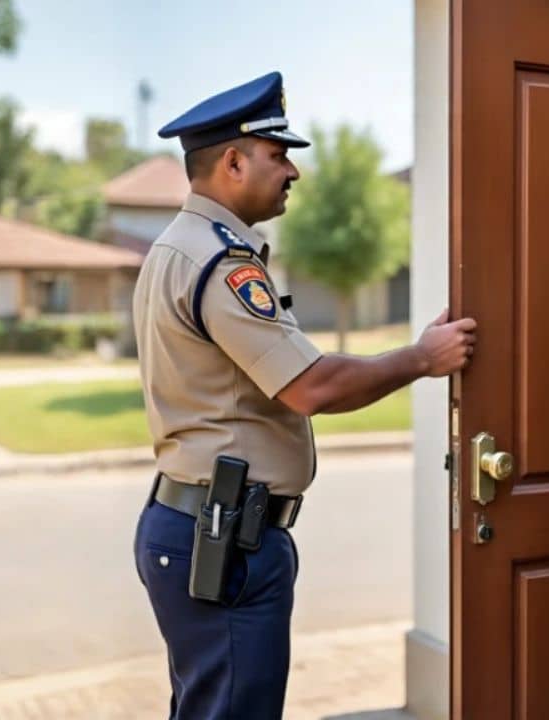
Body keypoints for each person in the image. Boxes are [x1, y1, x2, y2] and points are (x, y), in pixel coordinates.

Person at [130, 71, 476, 719]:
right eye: (278, 154)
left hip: (207, 526)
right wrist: (423, 359)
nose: (292, 171)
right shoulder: (218, 260)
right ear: (232, 162)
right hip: (223, 536)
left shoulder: (179, 248)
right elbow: (312, 385)